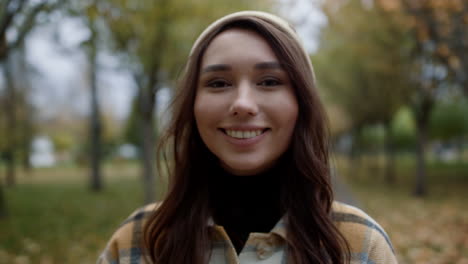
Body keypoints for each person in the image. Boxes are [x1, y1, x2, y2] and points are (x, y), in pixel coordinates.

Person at [97, 11, 397, 264]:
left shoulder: (359, 244)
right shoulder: (136, 242)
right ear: (193, 105)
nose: (242, 104)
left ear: (301, 105)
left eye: (269, 81)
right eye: (218, 83)